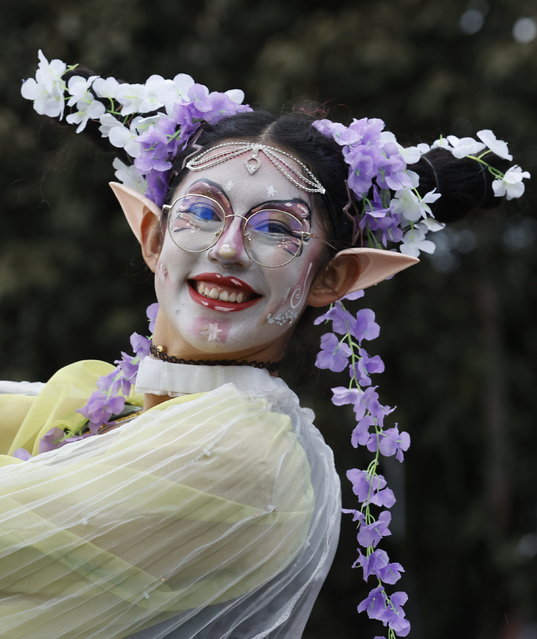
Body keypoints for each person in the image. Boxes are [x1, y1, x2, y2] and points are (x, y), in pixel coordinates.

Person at [0, 52, 529, 639]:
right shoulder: (89, 393)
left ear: (332, 278)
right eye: (203, 211)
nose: (228, 249)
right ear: (153, 235)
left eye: (276, 228)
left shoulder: (247, 458)